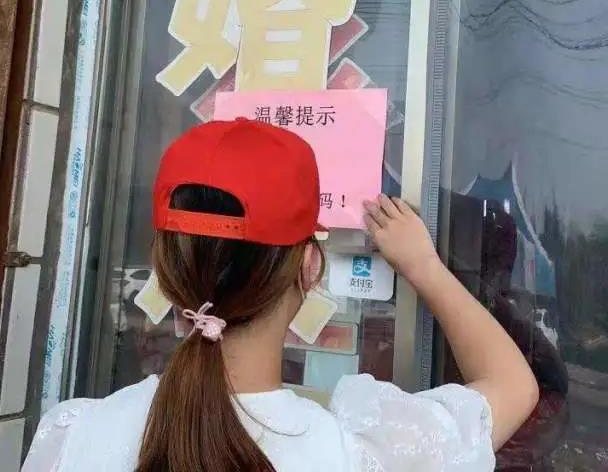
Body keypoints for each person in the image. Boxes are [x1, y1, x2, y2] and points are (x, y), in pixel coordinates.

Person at [22, 120, 539, 472]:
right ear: (310, 266)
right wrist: (424, 266)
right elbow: (513, 386)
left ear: (166, 268)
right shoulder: (359, 454)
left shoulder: (71, 437)